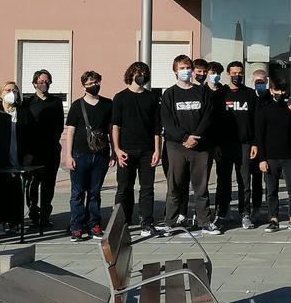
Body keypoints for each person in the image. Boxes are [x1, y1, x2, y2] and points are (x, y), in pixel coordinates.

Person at [161, 55, 219, 234]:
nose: (185, 71)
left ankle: (205, 221)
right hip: (176, 146)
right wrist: (184, 137)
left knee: (201, 187)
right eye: (181, 68)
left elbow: (209, 116)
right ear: (175, 71)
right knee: (175, 185)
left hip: (200, 147)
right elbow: (167, 121)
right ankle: (170, 222)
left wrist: (195, 136)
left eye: (187, 68)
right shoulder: (169, 94)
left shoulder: (203, 92)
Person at [111, 62, 162, 236]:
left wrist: (157, 150)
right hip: (126, 150)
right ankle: (122, 222)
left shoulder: (152, 97)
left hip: (147, 151)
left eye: (143, 73)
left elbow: (157, 127)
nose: (140, 76)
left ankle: (147, 222)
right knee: (124, 188)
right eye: (137, 73)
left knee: (147, 188)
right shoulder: (120, 97)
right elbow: (115, 126)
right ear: (130, 74)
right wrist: (116, 149)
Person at [63, 71, 114, 242]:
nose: (94, 86)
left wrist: (114, 151)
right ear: (83, 85)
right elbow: (70, 130)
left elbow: (111, 129)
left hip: (101, 154)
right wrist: (68, 155)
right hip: (80, 154)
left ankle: (94, 224)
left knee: (95, 192)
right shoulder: (77, 105)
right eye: (90, 83)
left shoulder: (108, 104)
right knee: (77, 193)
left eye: (96, 82)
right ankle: (76, 227)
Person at [216, 61, 259, 230]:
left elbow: (256, 121)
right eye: (234, 73)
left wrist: (255, 143)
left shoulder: (249, 94)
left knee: (244, 181)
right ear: (228, 74)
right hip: (225, 145)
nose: (237, 76)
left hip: (245, 144)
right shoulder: (221, 93)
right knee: (223, 180)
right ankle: (221, 212)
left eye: (240, 73)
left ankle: (245, 213)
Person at [254, 80, 291, 231]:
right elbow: (259, 137)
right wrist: (262, 159)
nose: (280, 94)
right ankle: (273, 219)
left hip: (289, 156)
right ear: (271, 91)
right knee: (272, 190)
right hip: (270, 157)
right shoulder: (264, 111)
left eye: (283, 91)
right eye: (277, 91)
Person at [22, 69, 64, 230]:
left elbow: (60, 125)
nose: (44, 84)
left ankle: (45, 215)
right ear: (34, 83)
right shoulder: (27, 103)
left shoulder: (56, 102)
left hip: (51, 150)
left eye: (47, 81)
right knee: (32, 184)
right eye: (41, 81)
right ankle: (33, 213)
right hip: (31, 152)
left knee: (49, 184)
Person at [0, 81, 25, 236]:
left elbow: (30, 136)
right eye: (8, 90)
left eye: (14, 90)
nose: (11, 93)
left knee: (16, 192)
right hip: (0, 160)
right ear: (1, 93)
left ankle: (15, 222)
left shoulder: (23, 112)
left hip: (18, 158)